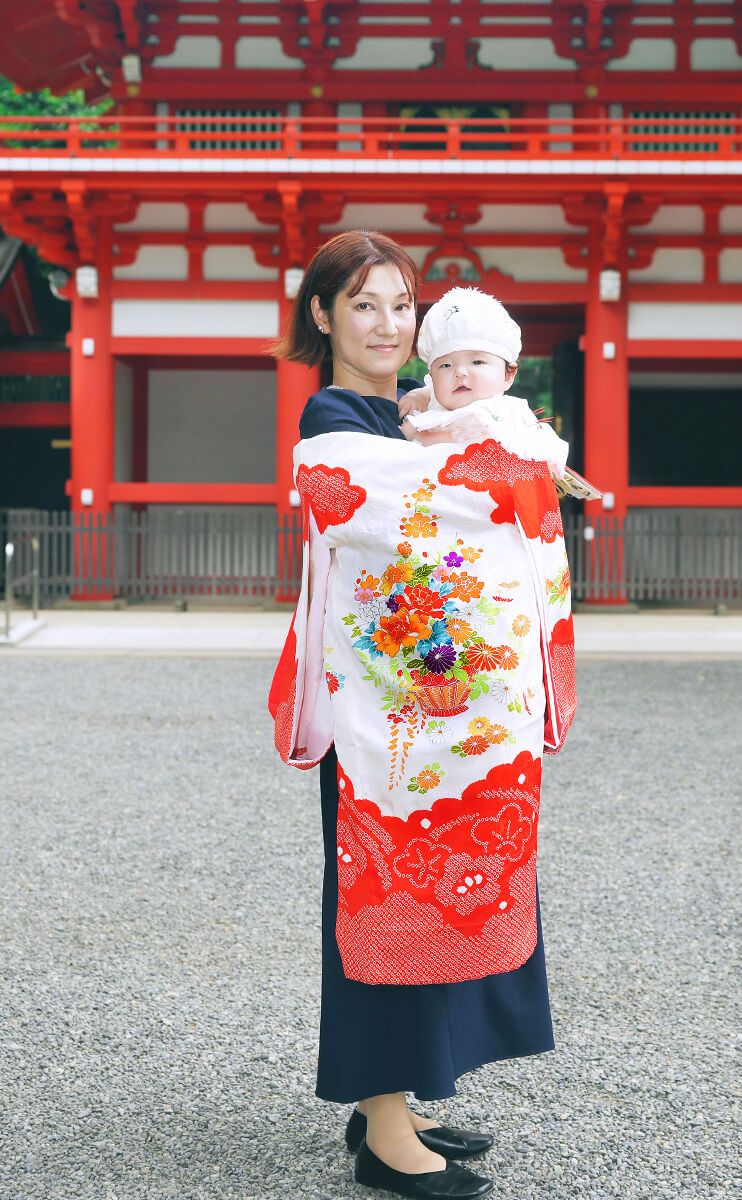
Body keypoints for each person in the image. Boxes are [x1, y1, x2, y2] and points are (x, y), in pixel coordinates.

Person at [268, 231, 577, 1200]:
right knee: (380, 908)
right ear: (321, 316)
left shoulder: (402, 415)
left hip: (424, 724)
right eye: (362, 304)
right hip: (382, 729)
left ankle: (394, 1101)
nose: (387, 324)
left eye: (401, 305)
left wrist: (504, 455)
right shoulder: (333, 419)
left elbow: (463, 489)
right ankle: (384, 1123)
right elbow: (436, 505)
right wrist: (515, 464)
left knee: (428, 901)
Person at [400, 287, 601, 501]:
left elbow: (468, 441)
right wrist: (420, 396)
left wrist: (418, 435)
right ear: (431, 376)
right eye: (446, 365)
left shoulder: (507, 414)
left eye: (477, 362)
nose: (459, 372)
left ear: (509, 374)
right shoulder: (430, 411)